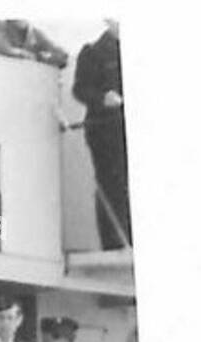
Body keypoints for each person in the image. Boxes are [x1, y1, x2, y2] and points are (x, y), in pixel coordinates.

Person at [73, 20, 131, 249]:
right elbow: (80, 89)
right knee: (111, 187)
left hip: (125, 129)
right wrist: (102, 98)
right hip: (106, 132)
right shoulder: (93, 52)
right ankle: (114, 245)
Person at [0, 19, 68, 67]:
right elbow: (5, 49)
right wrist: (33, 56)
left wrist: (59, 54)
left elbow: (51, 47)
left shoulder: (34, 33)